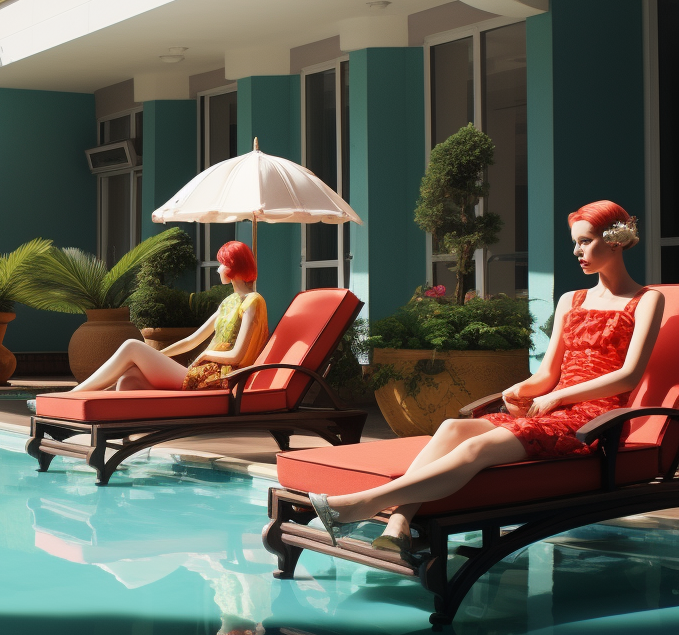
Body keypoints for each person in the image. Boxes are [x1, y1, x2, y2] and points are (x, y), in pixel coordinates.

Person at [310, 200, 664, 558]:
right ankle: (400, 522)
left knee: (476, 448)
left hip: (594, 420)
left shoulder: (647, 300)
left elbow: (628, 376)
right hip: (552, 408)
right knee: (451, 427)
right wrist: (520, 389)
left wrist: (559, 397)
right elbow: (547, 374)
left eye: (585, 241)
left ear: (617, 241)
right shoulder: (572, 300)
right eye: (575, 242)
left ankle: (358, 506)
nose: (577, 251)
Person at [67, 241, 270, 393]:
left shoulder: (253, 301)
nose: (218, 269)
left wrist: (205, 355)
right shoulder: (228, 302)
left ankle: (73, 396)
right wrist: (157, 356)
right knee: (129, 379)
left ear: (234, 266)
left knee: (131, 346)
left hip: (216, 378)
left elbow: (237, 356)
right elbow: (192, 340)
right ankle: (120, 428)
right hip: (201, 371)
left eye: (222, 264)